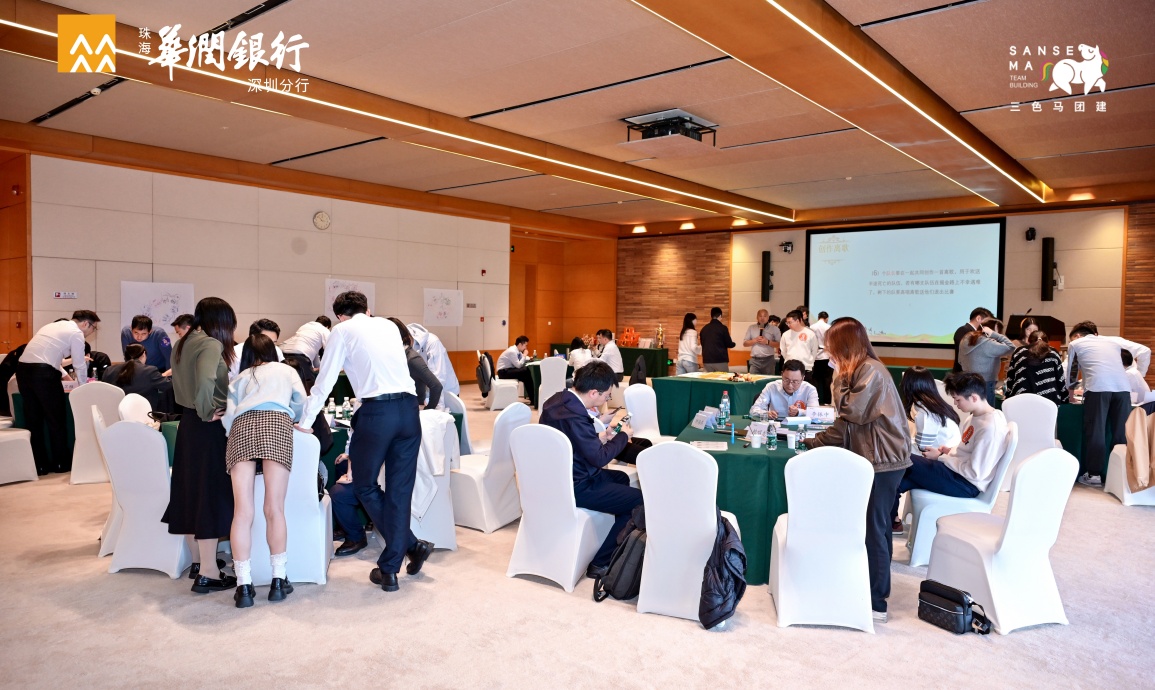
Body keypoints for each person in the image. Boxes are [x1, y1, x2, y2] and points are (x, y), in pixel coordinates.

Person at [297, 291, 431, 592]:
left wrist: (305, 422)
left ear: (339, 316)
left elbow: (325, 381)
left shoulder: (342, 331)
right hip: (409, 411)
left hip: (377, 413)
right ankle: (400, 557)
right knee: (400, 491)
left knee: (364, 485)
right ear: (367, 309)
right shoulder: (388, 325)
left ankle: (404, 553)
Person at [801, 317, 911, 623]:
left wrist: (837, 378)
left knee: (875, 529)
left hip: (883, 461)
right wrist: (815, 442)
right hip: (875, 458)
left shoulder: (870, 371)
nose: (828, 353)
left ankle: (877, 601)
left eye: (831, 347)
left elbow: (851, 412)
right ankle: (871, 589)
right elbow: (845, 426)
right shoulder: (861, 370)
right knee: (875, 526)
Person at [222, 334, 307, 608]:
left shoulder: (240, 378)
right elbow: (301, 401)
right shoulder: (286, 371)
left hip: (242, 427)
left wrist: (233, 430)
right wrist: (294, 417)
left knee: (242, 512)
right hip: (276, 424)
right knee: (274, 509)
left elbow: (228, 416)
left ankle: (244, 586)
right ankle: (278, 581)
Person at [539, 361, 644, 579]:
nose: (607, 399)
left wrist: (602, 436)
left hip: (559, 476)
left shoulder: (556, 401)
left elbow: (572, 440)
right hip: (577, 484)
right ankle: (600, 563)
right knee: (640, 501)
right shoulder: (576, 416)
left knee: (620, 478)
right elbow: (599, 458)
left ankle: (611, 531)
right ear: (594, 392)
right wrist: (622, 436)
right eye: (607, 395)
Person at [161, 297, 237, 595]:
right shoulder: (210, 344)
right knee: (210, 493)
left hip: (188, 425)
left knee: (191, 492)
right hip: (206, 426)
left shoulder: (183, 342)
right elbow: (206, 382)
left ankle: (198, 562)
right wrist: (209, 411)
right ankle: (208, 573)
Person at [892, 372, 1007, 528]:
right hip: (958, 475)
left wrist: (940, 457)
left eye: (958, 399)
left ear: (973, 397)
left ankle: (885, 524)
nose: (955, 404)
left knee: (903, 458)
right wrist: (947, 451)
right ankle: (890, 523)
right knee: (897, 479)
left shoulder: (990, 428)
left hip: (966, 485)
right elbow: (966, 451)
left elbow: (975, 473)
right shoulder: (976, 417)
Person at [1066, 320, 1151, 485]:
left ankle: (1094, 475)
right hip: (1123, 389)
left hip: (1098, 389)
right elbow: (1142, 352)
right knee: (1121, 433)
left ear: (1077, 335)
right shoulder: (1113, 342)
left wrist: (1070, 395)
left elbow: (1072, 372)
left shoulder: (1075, 344)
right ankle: (1120, 475)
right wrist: (1140, 374)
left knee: (1096, 431)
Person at [16, 310, 100, 474]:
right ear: (85, 324)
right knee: (56, 419)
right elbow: (79, 364)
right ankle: (61, 463)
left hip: (22, 370)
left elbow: (51, 357)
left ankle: (39, 466)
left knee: (34, 420)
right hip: (43, 374)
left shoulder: (52, 326)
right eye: (93, 328)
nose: (92, 332)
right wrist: (83, 387)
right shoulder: (76, 333)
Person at [388, 317, 443, 410]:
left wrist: (427, 410)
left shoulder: (412, 358)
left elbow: (436, 386)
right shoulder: (396, 357)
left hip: (412, 411)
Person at [958, 318, 1014, 405]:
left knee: (972, 409)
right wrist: (994, 334)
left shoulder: (965, 340)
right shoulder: (988, 343)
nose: (999, 334)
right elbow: (1011, 347)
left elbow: (960, 361)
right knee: (987, 411)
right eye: (998, 331)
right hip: (986, 383)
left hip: (967, 382)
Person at [1005, 331, 1068, 404]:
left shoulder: (1018, 352)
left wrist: (1008, 396)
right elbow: (1060, 379)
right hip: (1050, 400)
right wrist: (1065, 398)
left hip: (1021, 399)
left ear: (1028, 342)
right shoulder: (1053, 353)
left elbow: (1010, 377)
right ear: (1047, 343)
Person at [102, 343, 171, 409]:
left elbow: (105, 392)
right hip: (144, 414)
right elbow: (169, 386)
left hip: (115, 413)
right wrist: (167, 374)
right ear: (144, 354)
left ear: (125, 356)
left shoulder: (109, 370)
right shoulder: (150, 371)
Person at [750, 359, 818, 419]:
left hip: (800, 426)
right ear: (782, 374)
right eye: (786, 380)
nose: (790, 385)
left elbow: (816, 414)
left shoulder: (810, 390)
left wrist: (799, 412)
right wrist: (766, 414)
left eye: (795, 382)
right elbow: (754, 410)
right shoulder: (771, 387)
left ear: (802, 378)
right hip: (776, 425)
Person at [408, 323, 460, 399]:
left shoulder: (432, 342)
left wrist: (437, 404)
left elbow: (438, 379)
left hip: (446, 391)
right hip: (427, 391)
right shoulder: (404, 345)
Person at [280, 316, 331, 390]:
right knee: (308, 384)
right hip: (299, 354)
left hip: (283, 352)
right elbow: (330, 349)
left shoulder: (305, 326)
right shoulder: (324, 330)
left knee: (287, 382)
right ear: (327, 326)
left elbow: (313, 352)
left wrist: (317, 366)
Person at [497, 335, 536, 404]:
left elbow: (521, 358)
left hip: (507, 370)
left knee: (526, 374)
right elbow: (518, 365)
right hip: (503, 372)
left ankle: (532, 398)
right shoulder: (512, 351)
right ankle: (533, 398)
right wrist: (524, 355)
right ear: (520, 344)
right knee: (525, 371)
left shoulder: (517, 350)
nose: (526, 348)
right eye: (525, 345)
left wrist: (529, 358)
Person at [953, 307, 993, 372]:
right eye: (987, 322)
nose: (988, 325)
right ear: (978, 318)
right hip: (963, 374)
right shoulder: (963, 330)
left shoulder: (978, 333)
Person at [780, 310, 818, 376]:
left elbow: (814, 351)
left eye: (790, 322)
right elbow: (783, 351)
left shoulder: (810, 334)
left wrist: (810, 362)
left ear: (797, 321)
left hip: (806, 367)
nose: (788, 325)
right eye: (787, 323)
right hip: (789, 367)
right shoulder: (785, 334)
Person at [742, 310, 779, 375]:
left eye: (764, 316)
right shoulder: (751, 328)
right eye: (760, 316)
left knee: (768, 380)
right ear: (757, 317)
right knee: (753, 379)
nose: (762, 318)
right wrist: (755, 340)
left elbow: (779, 344)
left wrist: (767, 342)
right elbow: (745, 344)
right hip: (755, 360)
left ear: (768, 317)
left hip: (769, 360)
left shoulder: (774, 329)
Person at [699, 307, 735, 373]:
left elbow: (702, 344)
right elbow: (729, 343)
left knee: (708, 379)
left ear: (711, 316)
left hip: (707, 360)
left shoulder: (704, 329)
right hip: (720, 359)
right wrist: (734, 344)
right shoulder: (723, 328)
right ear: (720, 316)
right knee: (722, 379)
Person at [811, 311, 833, 404]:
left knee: (815, 379)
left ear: (818, 317)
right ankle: (827, 401)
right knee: (827, 380)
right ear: (826, 318)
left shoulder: (812, 327)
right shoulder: (829, 327)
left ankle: (815, 400)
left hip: (815, 356)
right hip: (826, 355)